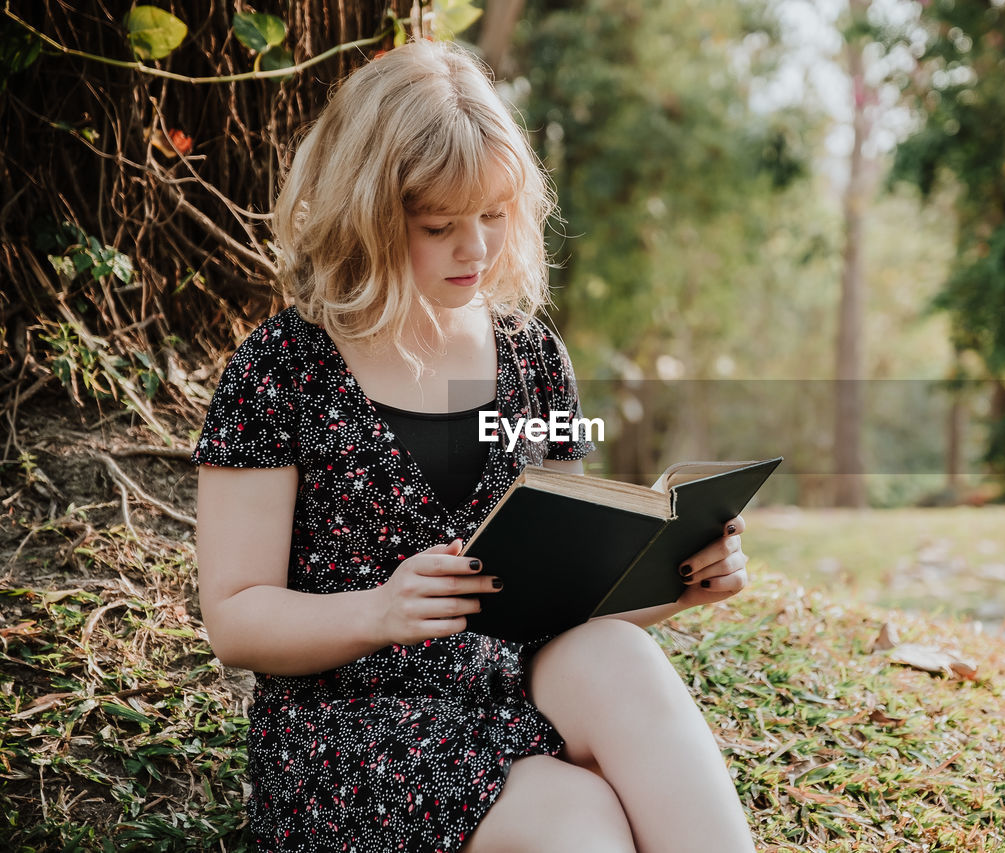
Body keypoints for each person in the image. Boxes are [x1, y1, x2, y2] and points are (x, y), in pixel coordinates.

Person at [193, 38, 756, 853]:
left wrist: (678, 581)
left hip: (511, 687)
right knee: (581, 819)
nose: (478, 250)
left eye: (494, 216)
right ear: (370, 217)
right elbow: (235, 618)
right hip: (351, 726)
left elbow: (565, 594)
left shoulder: (531, 355)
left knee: (618, 654)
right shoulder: (282, 368)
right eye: (440, 225)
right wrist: (379, 610)